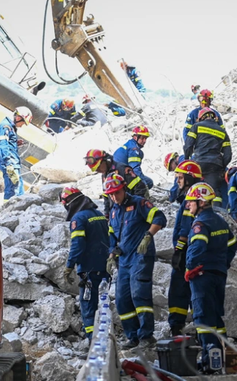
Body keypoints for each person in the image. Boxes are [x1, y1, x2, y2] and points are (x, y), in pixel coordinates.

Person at [105, 174, 166, 350]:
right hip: (123, 260)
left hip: (140, 257)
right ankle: (132, 336)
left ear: (124, 189)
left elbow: (159, 218)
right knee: (122, 300)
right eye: (111, 194)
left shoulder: (139, 203)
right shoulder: (114, 211)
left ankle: (147, 336)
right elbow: (112, 235)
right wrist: (111, 255)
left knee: (139, 294)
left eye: (117, 192)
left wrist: (148, 236)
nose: (114, 197)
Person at [184, 182, 237, 373]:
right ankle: (220, 359)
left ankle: (210, 360)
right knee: (215, 316)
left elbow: (197, 248)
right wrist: (224, 263)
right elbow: (232, 244)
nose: (188, 204)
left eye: (191, 201)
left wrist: (189, 267)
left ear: (201, 202)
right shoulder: (220, 221)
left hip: (202, 275)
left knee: (203, 317)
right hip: (218, 274)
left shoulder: (200, 224)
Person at [60, 186, 109, 341]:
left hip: (88, 268)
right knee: (102, 305)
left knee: (88, 305)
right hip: (104, 267)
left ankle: (92, 342)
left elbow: (77, 245)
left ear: (69, 203)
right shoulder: (99, 215)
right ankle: (104, 337)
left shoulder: (78, 219)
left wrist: (69, 266)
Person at [168, 160, 203, 336]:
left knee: (179, 288)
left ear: (190, 178)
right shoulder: (194, 197)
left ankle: (177, 325)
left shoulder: (191, 199)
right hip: (190, 252)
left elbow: (185, 228)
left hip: (187, 253)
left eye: (181, 177)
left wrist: (179, 251)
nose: (178, 181)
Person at [184, 107, 231, 206]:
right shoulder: (223, 132)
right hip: (215, 165)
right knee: (215, 192)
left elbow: (188, 145)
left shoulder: (196, 127)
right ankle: (217, 212)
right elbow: (228, 155)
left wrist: (187, 160)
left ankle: (190, 210)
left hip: (198, 163)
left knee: (193, 188)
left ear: (201, 118)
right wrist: (222, 167)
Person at [84, 149, 148, 217]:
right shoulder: (104, 175)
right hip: (118, 214)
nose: (98, 170)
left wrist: (136, 208)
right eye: (96, 170)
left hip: (130, 211)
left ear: (105, 160)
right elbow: (106, 197)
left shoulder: (122, 169)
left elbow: (140, 188)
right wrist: (107, 213)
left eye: (98, 167)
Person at [0, 106, 32, 202]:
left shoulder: (11, 127)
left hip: (13, 163)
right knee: (11, 190)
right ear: (18, 117)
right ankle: (6, 211)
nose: (21, 125)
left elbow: (8, 143)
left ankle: (19, 211)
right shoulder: (5, 126)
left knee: (19, 190)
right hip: (10, 164)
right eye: (22, 123)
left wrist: (15, 143)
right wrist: (8, 163)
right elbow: (2, 145)